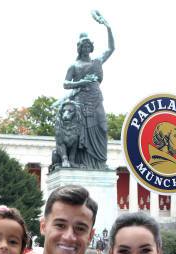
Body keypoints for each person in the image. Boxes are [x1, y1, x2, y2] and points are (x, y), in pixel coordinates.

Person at [63, 10, 114, 169]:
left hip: (96, 98)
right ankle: (83, 162)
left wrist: (108, 28)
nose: (86, 47)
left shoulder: (97, 61)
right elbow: (65, 83)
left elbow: (111, 49)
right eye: (83, 45)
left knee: (103, 128)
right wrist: (81, 82)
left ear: (91, 47)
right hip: (81, 101)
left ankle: (100, 162)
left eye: (88, 45)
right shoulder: (74, 66)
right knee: (81, 133)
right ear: (79, 47)